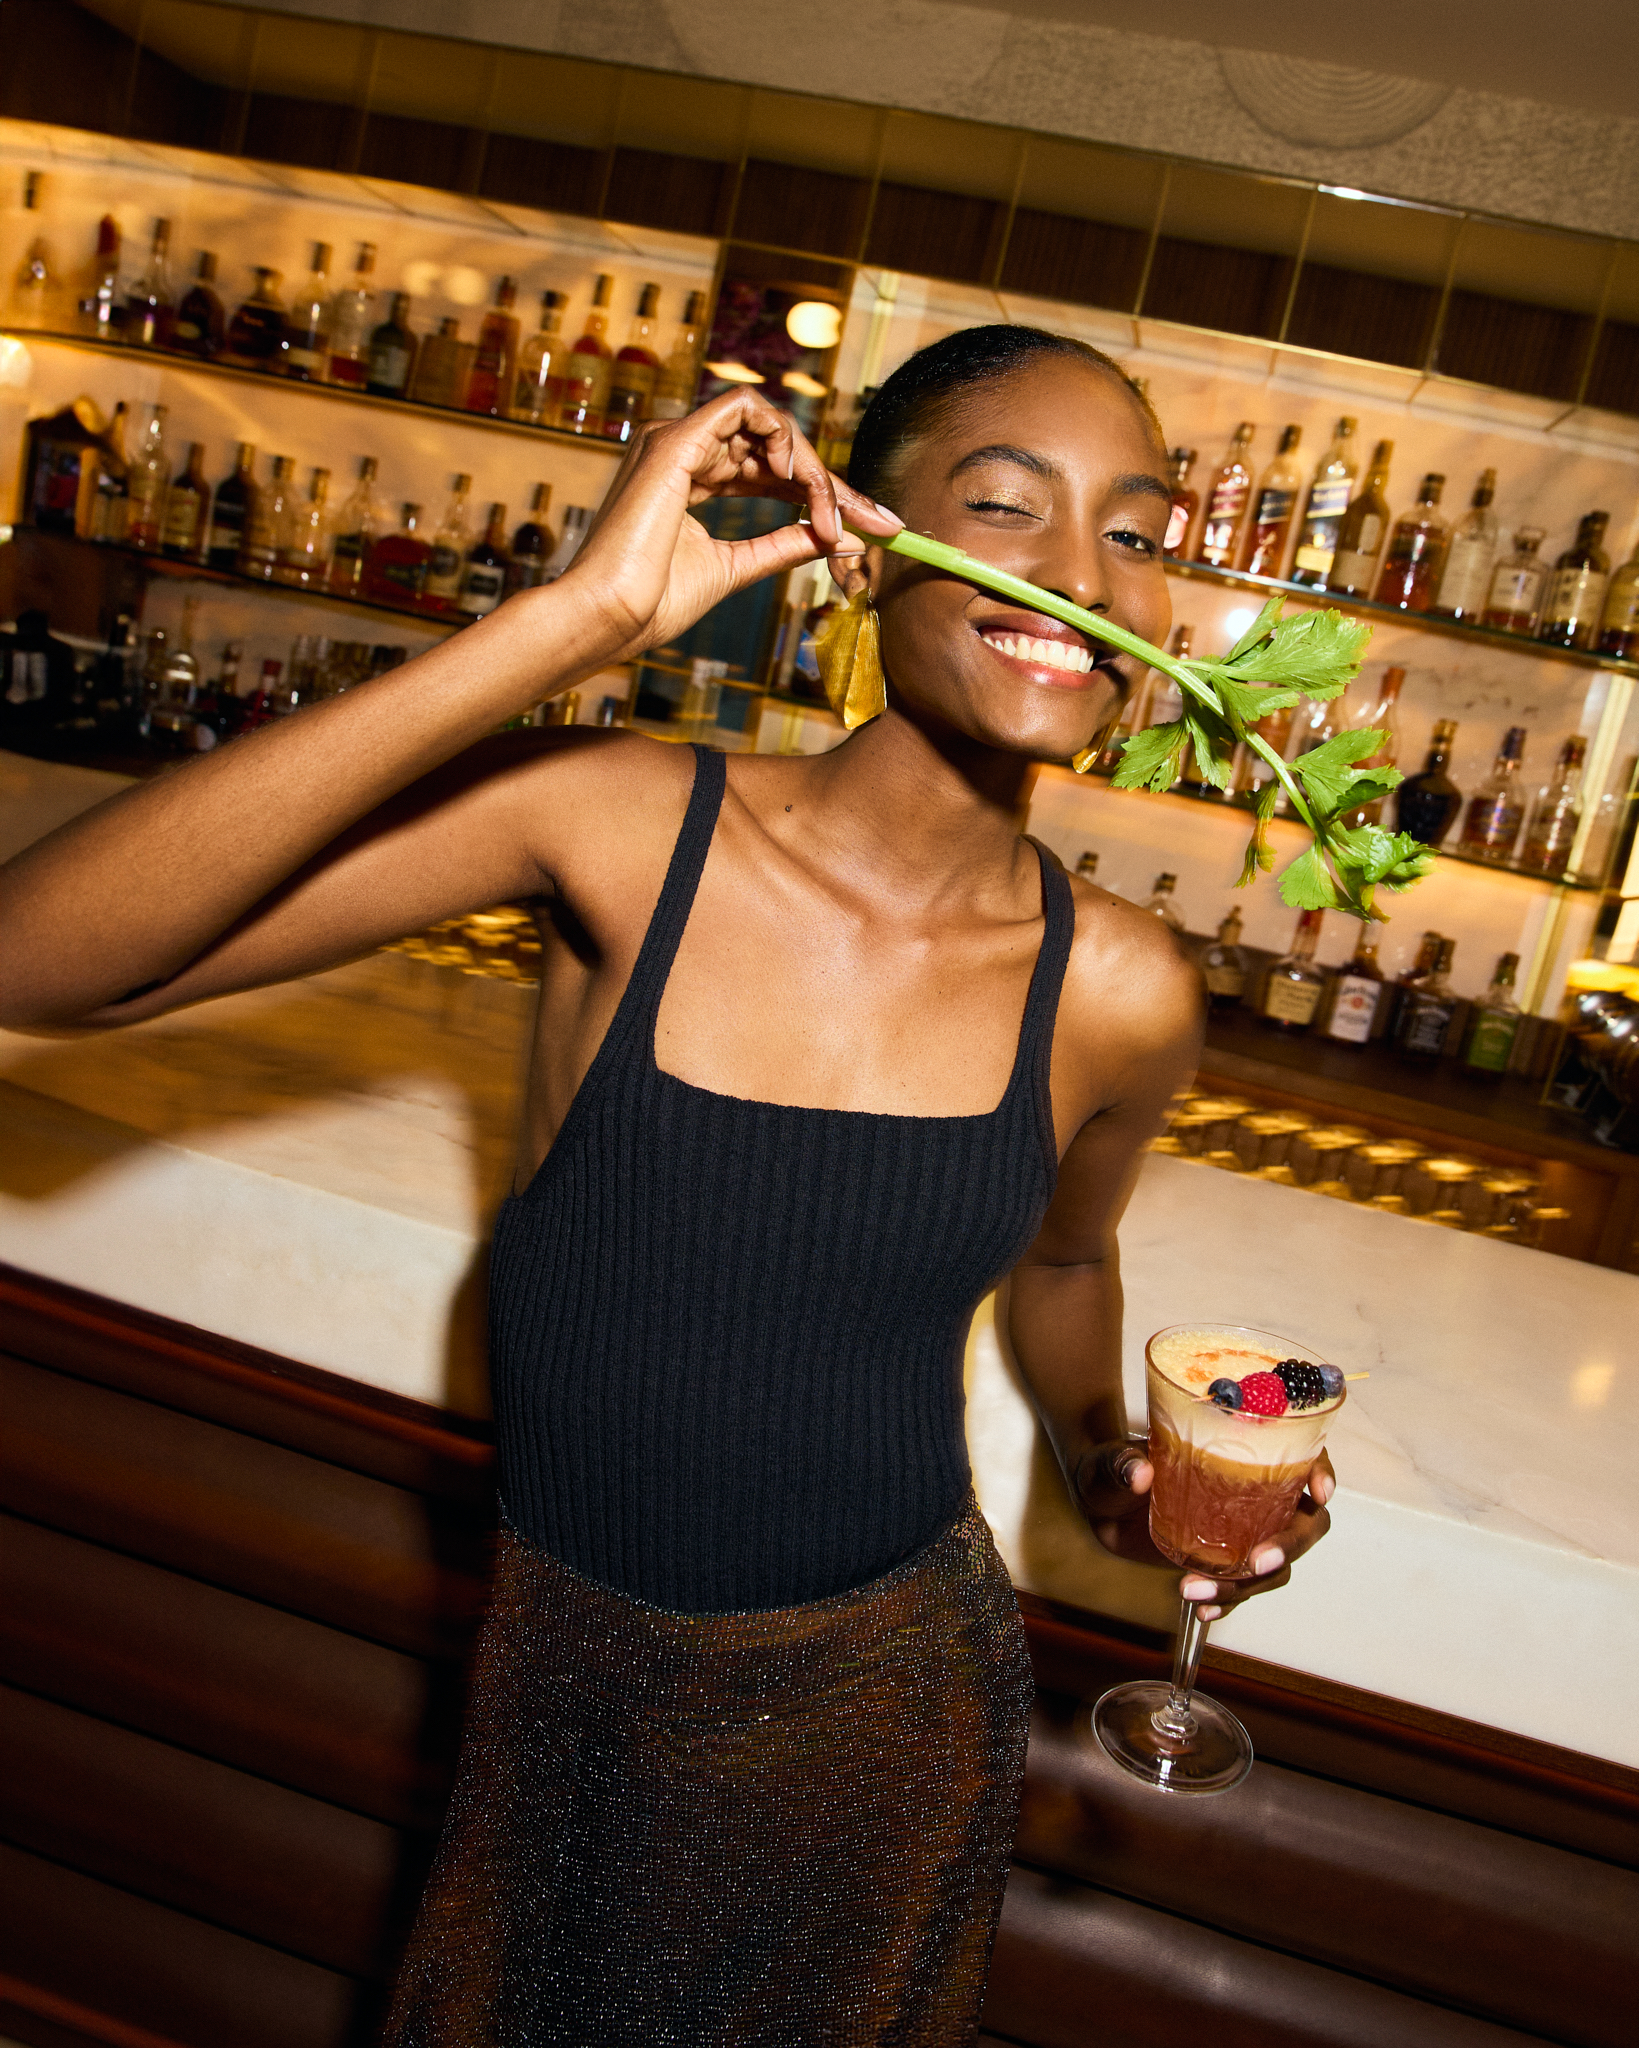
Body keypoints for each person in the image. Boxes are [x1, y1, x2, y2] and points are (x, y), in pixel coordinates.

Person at [0, 326, 1334, 2043]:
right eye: (1005, 506)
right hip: (558, 1681)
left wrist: (1115, 1467)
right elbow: (41, 958)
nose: (1080, 574)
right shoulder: (626, 826)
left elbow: (1068, 1273)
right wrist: (567, 625)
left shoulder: (1120, 988)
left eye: (1137, 535)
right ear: (862, 529)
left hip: (879, 1718)